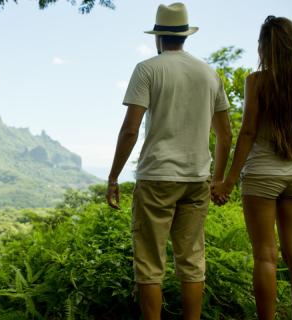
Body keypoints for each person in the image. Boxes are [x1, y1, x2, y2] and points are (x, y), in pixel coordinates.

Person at [105, 3, 232, 319]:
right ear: (185, 36)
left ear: (158, 37)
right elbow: (226, 134)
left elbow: (130, 129)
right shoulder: (209, 73)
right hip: (197, 178)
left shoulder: (148, 69)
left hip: (157, 177)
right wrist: (218, 178)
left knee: (149, 263)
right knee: (191, 259)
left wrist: (113, 177)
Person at [211, 15, 292, 320]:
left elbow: (247, 132)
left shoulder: (257, 81)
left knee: (265, 256)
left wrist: (228, 182)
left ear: (265, 46)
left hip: (262, 175)